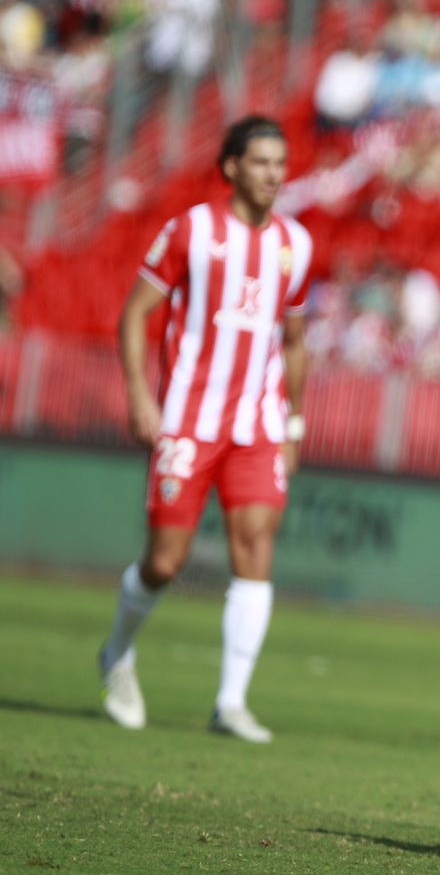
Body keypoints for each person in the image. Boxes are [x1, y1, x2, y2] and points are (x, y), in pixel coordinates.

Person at [99, 115, 313, 744]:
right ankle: (116, 654)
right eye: (261, 162)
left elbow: (296, 341)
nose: (274, 174)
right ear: (231, 168)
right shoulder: (191, 231)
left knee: (256, 548)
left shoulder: (295, 244)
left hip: (259, 422)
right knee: (166, 562)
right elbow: (135, 314)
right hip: (189, 419)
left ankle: (231, 701)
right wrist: (142, 396)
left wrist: (294, 422)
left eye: (281, 162)